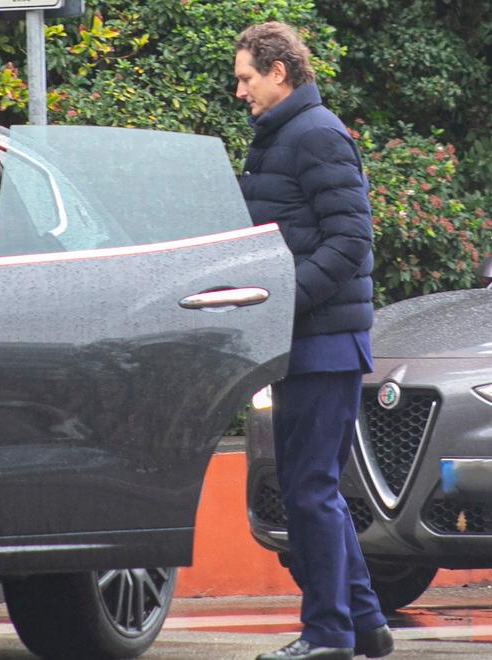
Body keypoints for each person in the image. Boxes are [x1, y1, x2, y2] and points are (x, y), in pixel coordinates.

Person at [234, 22, 394, 660]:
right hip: (302, 341)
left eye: (247, 77)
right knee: (310, 485)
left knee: (309, 489)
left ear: (279, 72)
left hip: (323, 343)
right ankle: (365, 625)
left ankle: (328, 634)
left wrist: (283, 299)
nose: (240, 91)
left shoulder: (317, 134)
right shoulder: (280, 137)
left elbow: (350, 242)